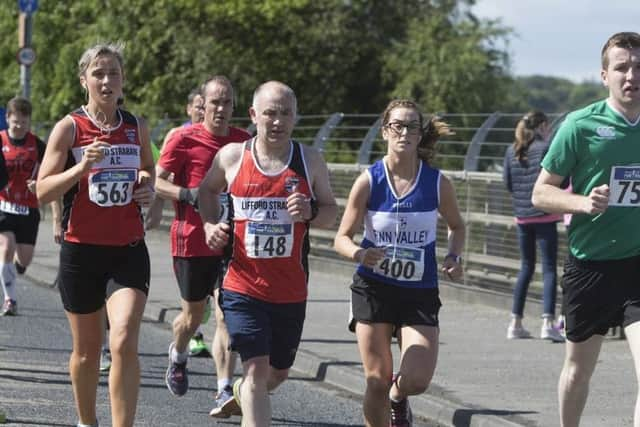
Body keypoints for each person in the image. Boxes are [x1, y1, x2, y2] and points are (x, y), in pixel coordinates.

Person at [199, 81, 337, 426]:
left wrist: (311, 211)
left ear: (295, 117)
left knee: (277, 375)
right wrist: (209, 226)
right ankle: (248, 388)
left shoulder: (310, 161)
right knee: (258, 370)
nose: (277, 121)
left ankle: (244, 390)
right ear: (253, 115)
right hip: (241, 285)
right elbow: (206, 191)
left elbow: (332, 213)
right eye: (270, 113)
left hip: (290, 290)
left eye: (285, 114)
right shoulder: (233, 157)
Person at [36, 42, 155, 427]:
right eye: (99, 73)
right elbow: (42, 191)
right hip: (80, 252)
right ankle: (87, 423)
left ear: (122, 82)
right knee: (87, 352)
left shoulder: (136, 127)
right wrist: (80, 169)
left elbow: (148, 170)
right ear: (84, 79)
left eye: (114, 73)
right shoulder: (69, 128)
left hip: (127, 251)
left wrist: (146, 185)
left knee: (122, 339)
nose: (107, 80)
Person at [334, 99, 465, 427]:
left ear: (421, 135)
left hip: (418, 291)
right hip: (373, 288)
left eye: (411, 127)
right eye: (397, 126)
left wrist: (453, 256)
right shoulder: (369, 181)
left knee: (417, 380)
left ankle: (399, 395)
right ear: (385, 131)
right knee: (376, 379)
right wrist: (360, 254)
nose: (404, 132)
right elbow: (342, 237)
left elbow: (457, 226)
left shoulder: (437, 183)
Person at [531, 32, 640, 427]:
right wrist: (583, 202)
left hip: (637, 264)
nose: (631, 75)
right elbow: (541, 193)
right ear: (604, 75)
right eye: (622, 67)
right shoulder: (580, 125)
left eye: (639, 67)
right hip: (590, 265)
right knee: (578, 369)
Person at [157, 76, 250, 407]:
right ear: (203, 104)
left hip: (231, 243)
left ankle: (225, 387)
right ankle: (179, 353)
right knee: (192, 318)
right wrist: (187, 194)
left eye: (227, 103)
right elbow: (156, 181)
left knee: (226, 315)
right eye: (215, 102)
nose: (221, 109)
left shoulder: (245, 142)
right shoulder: (183, 139)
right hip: (192, 241)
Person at [502, 111, 564, 342]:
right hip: (544, 215)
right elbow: (561, 179)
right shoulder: (545, 148)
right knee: (549, 269)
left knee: (526, 267)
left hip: (522, 217)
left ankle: (515, 323)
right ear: (543, 126)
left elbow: (508, 183)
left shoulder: (511, 150)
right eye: (547, 127)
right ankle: (547, 323)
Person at [0, 97, 50, 316]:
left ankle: (16, 268)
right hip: (4, 205)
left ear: (29, 121)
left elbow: (50, 173)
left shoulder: (38, 145)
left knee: (25, 258)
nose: (19, 126)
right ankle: (10, 300)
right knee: (6, 247)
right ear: (8, 119)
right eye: (15, 121)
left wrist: (39, 184)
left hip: (29, 208)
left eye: (23, 122)